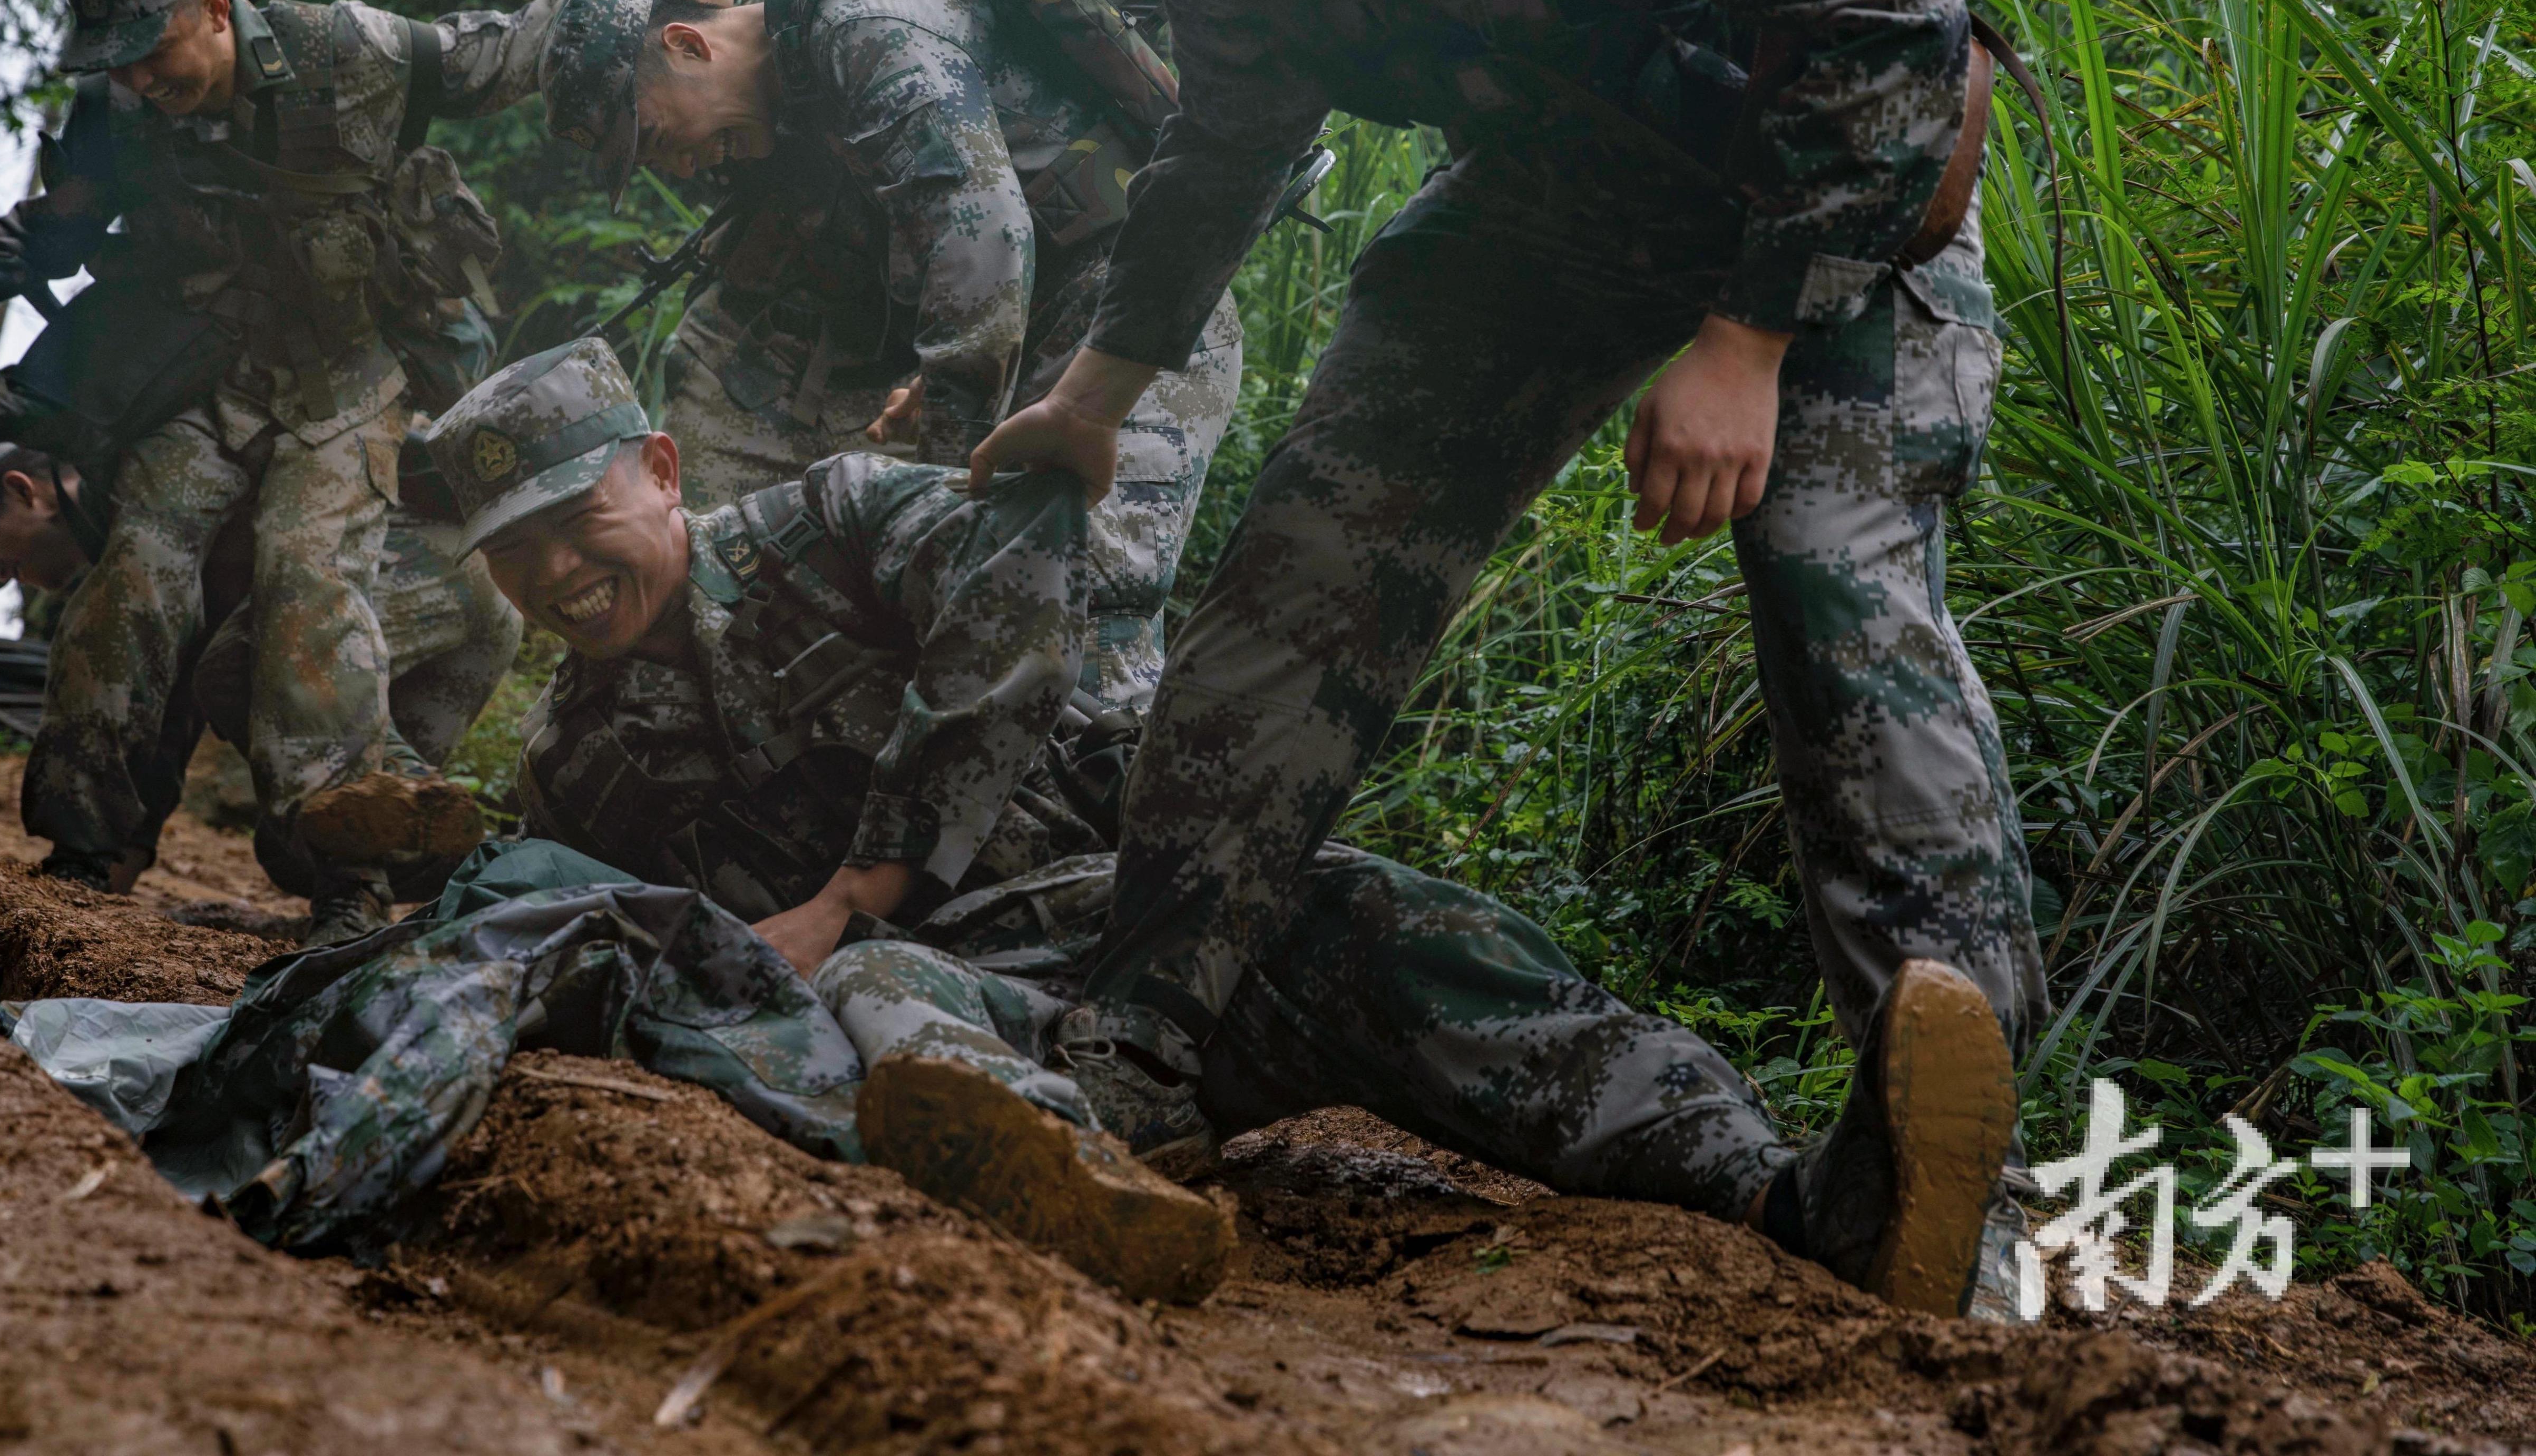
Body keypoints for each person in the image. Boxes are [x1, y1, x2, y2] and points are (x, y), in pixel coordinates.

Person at [948, 0, 2038, 1311]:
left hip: (1836, 172)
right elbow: (1223, 149)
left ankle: (1936, 1202)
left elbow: (1887, 20)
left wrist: (1745, 334)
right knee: (1314, 546)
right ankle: (1127, 1053)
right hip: (1558, 201)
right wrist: (1091, 397)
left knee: (1839, 599)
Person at [414, 338, 2016, 1316]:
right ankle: (1072, 1188)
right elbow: (613, 958)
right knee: (868, 1001)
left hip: (1138, 931)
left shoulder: (840, 521)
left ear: (663, 471)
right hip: (961, 1005)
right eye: (514, 557)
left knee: (1378, 921)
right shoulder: (579, 762)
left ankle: (1793, 1203)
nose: (557, 576)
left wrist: (853, 884)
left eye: (577, 523)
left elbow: (1018, 581)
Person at [0, 0, 737, 940]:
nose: (137, 80)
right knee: (134, 575)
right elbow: (42, 237)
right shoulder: (121, 115)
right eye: (113, 60)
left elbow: (506, 48)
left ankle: (343, 881)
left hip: (350, 379)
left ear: (213, 8)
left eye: (150, 50)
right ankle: (89, 849)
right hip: (206, 380)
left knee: (311, 585)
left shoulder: (346, 51)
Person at [536, 0, 1240, 701]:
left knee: (1081, 618)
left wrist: (943, 490)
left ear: (689, 47)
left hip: (1141, 326)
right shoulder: (800, 78)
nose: (682, 167)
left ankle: (1113, 818)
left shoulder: (859, 30)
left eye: (658, 138)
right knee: (994, 620)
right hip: (1058, 332)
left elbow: (985, 248)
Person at [0, 434, 519, 900]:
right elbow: (161, 720)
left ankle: (418, 807)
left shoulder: (161, 491)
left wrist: (78, 868)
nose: (1, 573)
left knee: (242, 666)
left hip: (425, 560)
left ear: (24, 489)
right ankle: (510, 876)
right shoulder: (152, 555)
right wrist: (92, 891)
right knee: (303, 847)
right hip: (472, 600)